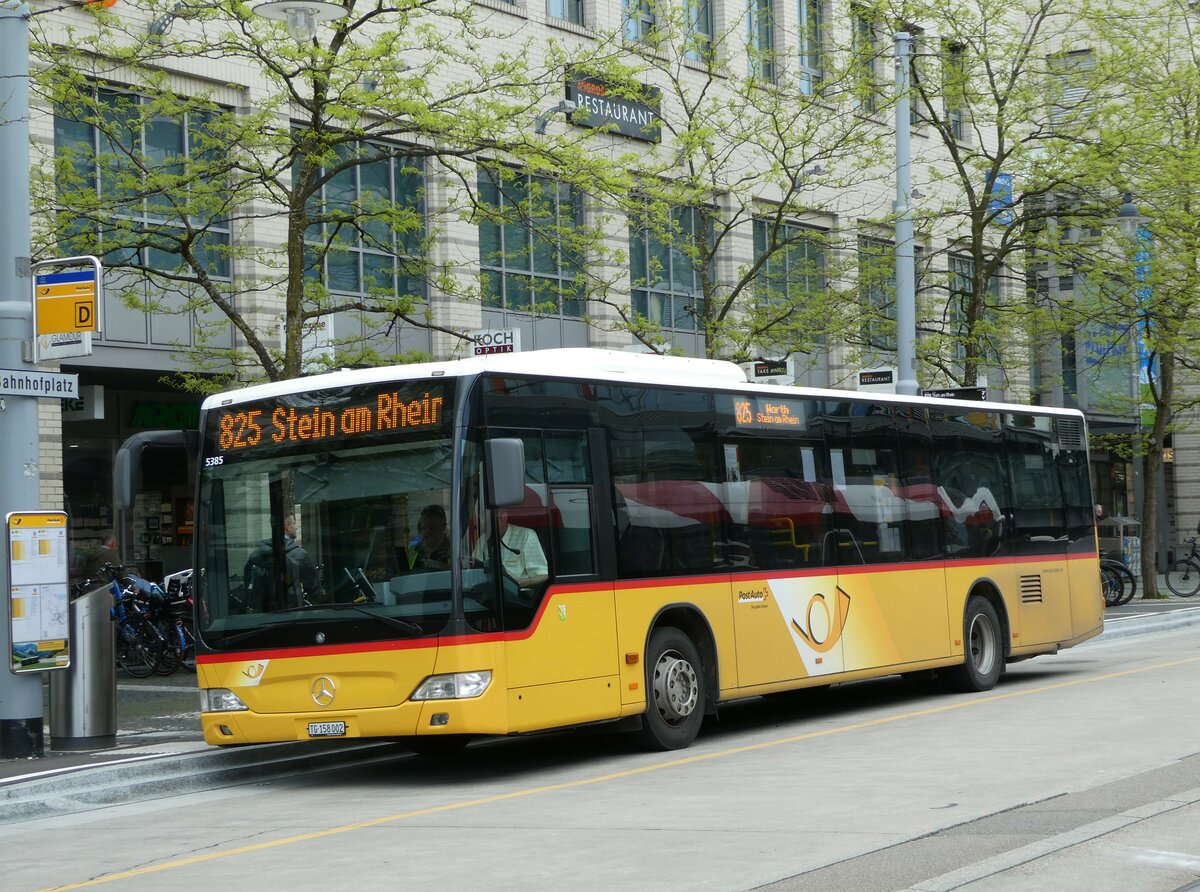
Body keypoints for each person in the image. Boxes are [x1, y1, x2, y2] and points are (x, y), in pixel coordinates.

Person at [482, 509, 548, 592]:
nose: (483, 525)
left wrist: (519, 582)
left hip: (517, 595)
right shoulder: (483, 540)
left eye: (487, 521)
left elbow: (543, 575)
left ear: (503, 517)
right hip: (489, 592)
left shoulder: (526, 535)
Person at [407, 504, 450, 570]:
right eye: (425, 526)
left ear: (443, 526)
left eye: (433, 526)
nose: (429, 531)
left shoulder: (453, 551)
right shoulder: (412, 550)